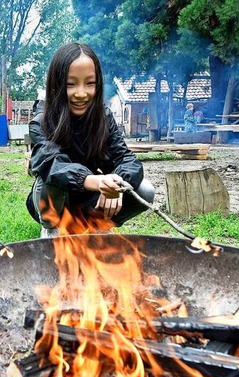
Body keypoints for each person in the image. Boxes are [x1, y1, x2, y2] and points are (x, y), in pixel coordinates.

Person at [26, 42, 155, 237]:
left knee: (146, 190)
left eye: (90, 83)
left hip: (90, 200)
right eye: (71, 84)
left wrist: (117, 184)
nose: (81, 93)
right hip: (54, 202)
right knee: (50, 178)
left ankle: (98, 228)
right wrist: (93, 180)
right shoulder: (41, 122)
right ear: (57, 85)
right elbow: (52, 165)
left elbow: (126, 159)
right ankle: (52, 231)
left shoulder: (103, 118)